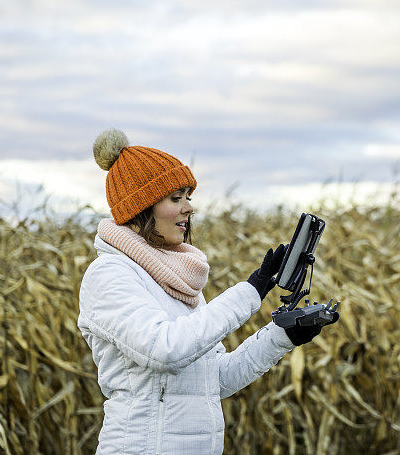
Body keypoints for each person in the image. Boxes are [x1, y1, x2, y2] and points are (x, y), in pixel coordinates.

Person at [77, 128, 338, 454]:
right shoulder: (110, 275)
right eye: (176, 198)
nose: (189, 208)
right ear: (140, 209)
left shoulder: (177, 281)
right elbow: (166, 349)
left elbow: (216, 380)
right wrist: (251, 291)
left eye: (189, 197)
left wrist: (283, 336)